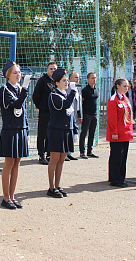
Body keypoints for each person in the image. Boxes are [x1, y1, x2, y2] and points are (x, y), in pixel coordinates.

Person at [0, 61, 31, 209]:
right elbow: (17, 104)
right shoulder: (4, 90)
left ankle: (12, 196)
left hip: (20, 128)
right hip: (10, 130)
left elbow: (23, 110)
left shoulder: (19, 89)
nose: (19, 75)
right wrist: (24, 89)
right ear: (8, 75)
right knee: (9, 163)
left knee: (17, 163)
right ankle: (5, 198)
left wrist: (27, 128)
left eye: (19, 72)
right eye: (15, 73)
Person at [46, 68, 78, 198]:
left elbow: (71, 115)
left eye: (67, 80)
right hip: (56, 130)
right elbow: (64, 105)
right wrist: (73, 92)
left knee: (62, 159)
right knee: (54, 159)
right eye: (64, 81)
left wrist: (75, 130)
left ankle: (58, 185)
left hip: (66, 131)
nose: (67, 83)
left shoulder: (66, 95)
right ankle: (51, 187)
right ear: (57, 83)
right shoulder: (54, 96)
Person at [106, 78, 134, 188]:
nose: (127, 88)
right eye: (124, 86)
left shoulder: (125, 99)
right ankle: (115, 179)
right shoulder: (114, 99)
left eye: (127, 86)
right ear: (118, 86)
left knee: (123, 157)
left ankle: (121, 177)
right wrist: (114, 132)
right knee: (116, 157)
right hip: (117, 133)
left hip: (125, 132)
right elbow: (112, 118)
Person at [32, 62, 57, 165]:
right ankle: (41, 154)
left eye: (55, 69)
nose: (53, 71)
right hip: (45, 111)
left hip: (54, 112)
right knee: (42, 133)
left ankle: (49, 153)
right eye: (51, 69)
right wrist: (41, 107)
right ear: (47, 70)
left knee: (51, 134)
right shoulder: (42, 80)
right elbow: (35, 96)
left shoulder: (57, 81)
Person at [79, 72, 99, 159]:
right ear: (88, 79)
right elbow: (81, 102)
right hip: (87, 114)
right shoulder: (85, 90)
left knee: (92, 133)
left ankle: (89, 151)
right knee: (84, 133)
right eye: (92, 78)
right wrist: (81, 116)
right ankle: (82, 152)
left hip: (94, 114)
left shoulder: (97, 89)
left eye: (95, 78)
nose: (94, 79)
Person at [67, 72, 82, 160]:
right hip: (69, 113)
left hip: (76, 114)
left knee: (74, 133)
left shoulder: (78, 88)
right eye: (76, 77)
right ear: (71, 78)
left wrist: (80, 116)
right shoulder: (67, 88)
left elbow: (79, 103)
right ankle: (65, 152)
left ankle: (69, 152)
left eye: (78, 77)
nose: (77, 79)